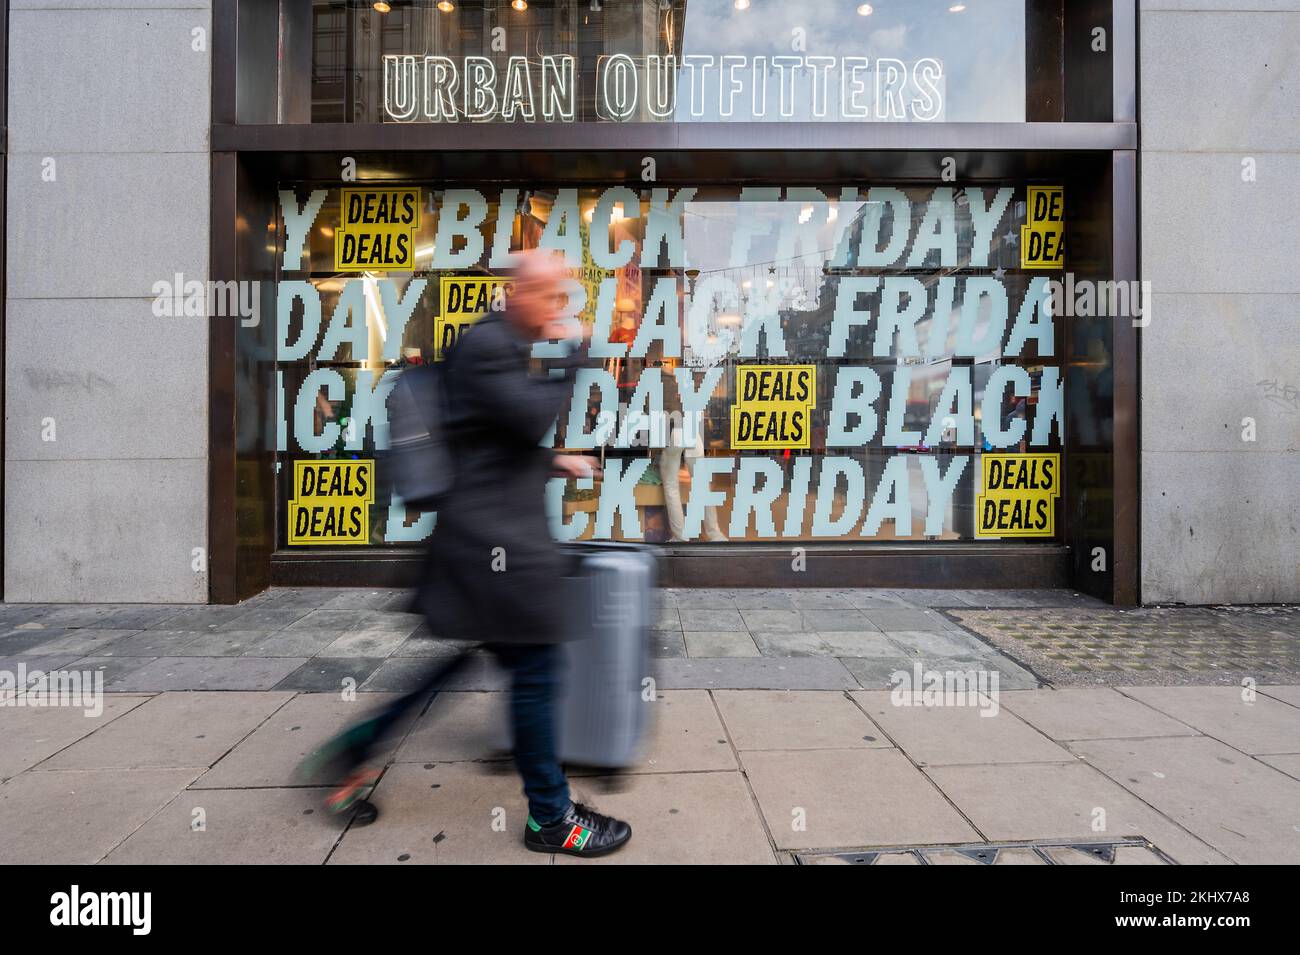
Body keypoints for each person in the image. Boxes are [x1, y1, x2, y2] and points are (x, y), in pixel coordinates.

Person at [304, 250, 632, 858]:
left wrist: (550, 460)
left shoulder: (497, 344)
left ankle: (355, 749)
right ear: (523, 294)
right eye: (553, 296)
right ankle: (551, 818)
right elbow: (531, 414)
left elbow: (489, 437)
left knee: (471, 661)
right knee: (536, 670)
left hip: (484, 539)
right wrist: (576, 354)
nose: (560, 310)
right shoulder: (490, 345)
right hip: (494, 545)